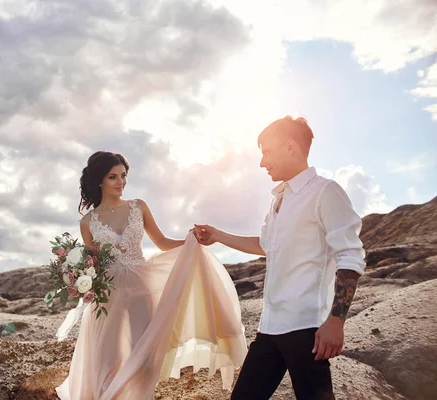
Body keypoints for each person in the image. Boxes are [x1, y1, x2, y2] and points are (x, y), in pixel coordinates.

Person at [194, 116, 366, 399]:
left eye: (267, 152)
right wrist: (217, 235)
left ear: (290, 147)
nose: (262, 162)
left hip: (306, 329)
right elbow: (265, 245)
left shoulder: (325, 192)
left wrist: (336, 321)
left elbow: (350, 254)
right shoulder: (278, 199)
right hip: (270, 328)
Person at [56, 151, 248, 400]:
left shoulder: (138, 207)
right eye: (113, 177)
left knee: (145, 358)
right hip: (107, 297)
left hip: (142, 287)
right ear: (99, 181)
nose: (121, 182)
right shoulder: (88, 222)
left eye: (123, 176)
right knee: (108, 361)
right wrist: (79, 278)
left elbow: (162, 242)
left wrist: (191, 242)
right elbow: (94, 263)